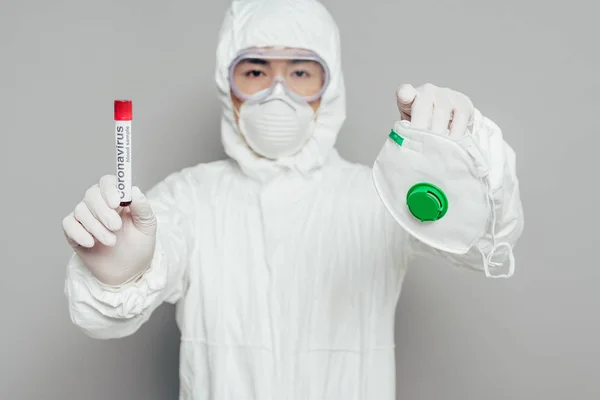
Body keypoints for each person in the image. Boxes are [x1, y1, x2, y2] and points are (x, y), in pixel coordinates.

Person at [61, 0, 524, 398]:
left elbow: (485, 245)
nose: (276, 93)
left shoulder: (376, 196)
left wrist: (467, 161)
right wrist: (124, 274)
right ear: (230, 88)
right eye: (256, 71)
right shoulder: (191, 197)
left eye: (301, 71)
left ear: (331, 85)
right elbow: (106, 316)